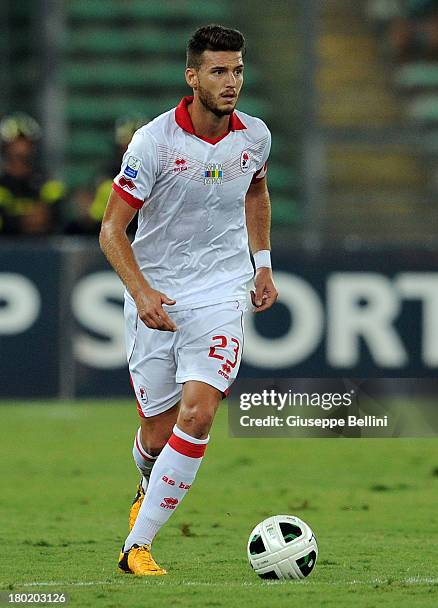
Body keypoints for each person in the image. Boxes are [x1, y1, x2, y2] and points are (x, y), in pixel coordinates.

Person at [99, 24, 278, 576]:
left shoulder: (255, 137)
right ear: (192, 76)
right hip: (158, 297)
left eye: (238, 70)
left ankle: (137, 547)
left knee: (199, 414)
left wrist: (262, 266)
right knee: (157, 432)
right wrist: (142, 291)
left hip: (222, 292)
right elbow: (111, 230)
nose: (232, 83)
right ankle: (146, 480)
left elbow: (256, 190)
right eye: (219, 71)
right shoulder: (153, 142)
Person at [0, 113, 65, 235]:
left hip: (42, 250)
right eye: (15, 142)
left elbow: (57, 216)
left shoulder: (48, 183)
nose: (21, 147)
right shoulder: (2, 185)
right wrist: (23, 220)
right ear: (5, 147)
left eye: (25, 142)